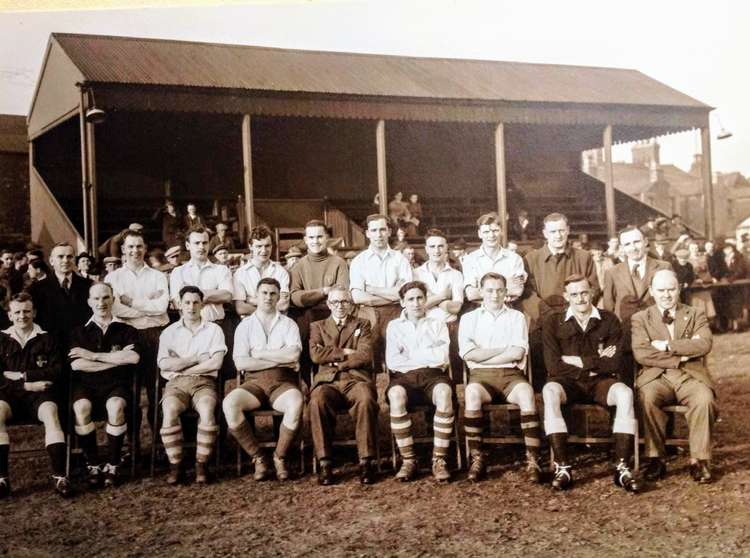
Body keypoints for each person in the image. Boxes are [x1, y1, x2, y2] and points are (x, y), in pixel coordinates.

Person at [541, 274, 640, 492]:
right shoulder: (553, 322)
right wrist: (596, 363)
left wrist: (577, 360)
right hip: (568, 383)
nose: (580, 299)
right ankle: (563, 466)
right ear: (566, 296)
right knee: (549, 391)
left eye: (584, 292)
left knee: (625, 393)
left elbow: (613, 364)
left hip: (601, 383)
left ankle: (622, 467)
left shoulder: (609, 319)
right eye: (574, 294)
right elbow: (553, 367)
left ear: (592, 292)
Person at [632, 270, 716, 484]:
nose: (666, 295)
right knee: (647, 398)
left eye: (671, 289)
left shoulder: (695, 313)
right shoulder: (641, 318)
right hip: (656, 377)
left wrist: (668, 345)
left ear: (679, 289)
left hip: (690, 376)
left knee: (704, 399)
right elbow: (641, 352)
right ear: (651, 291)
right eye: (661, 290)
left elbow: (704, 344)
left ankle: (699, 459)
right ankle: (655, 458)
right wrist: (680, 357)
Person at [459, 272, 541, 483]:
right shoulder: (469, 318)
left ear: (506, 292)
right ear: (481, 291)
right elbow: (468, 354)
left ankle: (532, 458)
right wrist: (503, 349)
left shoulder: (517, 317)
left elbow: (517, 353)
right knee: (471, 393)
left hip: (511, 377)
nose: (494, 295)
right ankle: (477, 457)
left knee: (526, 393)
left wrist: (484, 355)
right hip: (481, 377)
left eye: (499, 290)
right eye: (489, 290)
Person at [223, 278, 304, 481]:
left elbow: (293, 355)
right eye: (264, 293)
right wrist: (278, 358)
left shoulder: (288, 324)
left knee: (296, 402)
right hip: (254, 383)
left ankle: (280, 457)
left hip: (283, 382)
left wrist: (258, 354)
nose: (268, 297)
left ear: (278, 297)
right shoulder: (245, 326)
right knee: (230, 403)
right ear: (256, 296)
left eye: (273, 293)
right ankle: (258, 457)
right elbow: (241, 363)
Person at [69, 283, 141, 488]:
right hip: (86, 384)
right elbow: (77, 364)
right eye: (97, 299)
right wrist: (115, 359)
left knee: (116, 406)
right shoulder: (79, 332)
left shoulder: (126, 330)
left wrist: (93, 356)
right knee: (81, 408)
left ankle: (114, 463)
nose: (102, 303)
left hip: (117, 384)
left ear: (113, 299)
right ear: (89, 302)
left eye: (106, 298)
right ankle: (93, 463)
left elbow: (133, 358)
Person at [0, 293, 70, 498]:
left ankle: (59, 477)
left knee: (51, 411)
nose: (23, 316)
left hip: (40, 395)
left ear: (34, 313)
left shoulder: (47, 338)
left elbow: (57, 371)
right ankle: (2, 479)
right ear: (10, 315)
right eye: (18, 312)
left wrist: (22, 375)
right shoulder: (1, 339)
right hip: (10, 396)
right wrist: (28, 386)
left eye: (27, 311)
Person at [308, 286, 378, 485]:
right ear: (328, 304)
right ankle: (325, 462)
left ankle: (366, 461)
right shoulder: (318, 326)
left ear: (351, 304)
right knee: (317, 401)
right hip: (328, 381)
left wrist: (336, 359)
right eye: (335, 302)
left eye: (344, 301)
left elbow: (365, 354)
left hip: (355, 379)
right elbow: (315, 355)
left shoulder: (362, 324)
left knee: (365, 399)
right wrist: (346, 352)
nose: (340, 306)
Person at [386, 281, 454, 482]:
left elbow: (441, 358)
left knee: (444, 393)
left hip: (433, 375)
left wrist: (410, 354)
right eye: (410, 299)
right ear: (402, 302)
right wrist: (427, 350)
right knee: (395, 395)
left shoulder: (437, 323)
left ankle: (439, 459)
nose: (416, 303)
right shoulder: (394, 326)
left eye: (420, 298)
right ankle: (409, 459)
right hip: (404, 378)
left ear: (426, 300)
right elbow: (393, 361)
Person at [157, 286, 226, 484]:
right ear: (180, 304)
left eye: (196, 302)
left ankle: (201, 465)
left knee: (206, 409)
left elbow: (216, 363)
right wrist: (196, 358)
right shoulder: (169, 332)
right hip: (176, 385)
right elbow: (163, 363)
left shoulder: (214, 330)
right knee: (169, 411)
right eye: (187, 302)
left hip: (204, 383)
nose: (191, 307)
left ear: (202, 305)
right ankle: (176, 466)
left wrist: (181, 366)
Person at [106, 229, 170, 437]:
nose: (135, 250)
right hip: (126, 336)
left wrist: (131, 302)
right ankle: (133, 447)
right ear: (123, 250)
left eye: (139, 246)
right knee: (130, 392)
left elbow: (161, 307)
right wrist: (147, 304)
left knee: (156, 391)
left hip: (154, 335)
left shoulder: (158, 276)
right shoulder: (113, 277)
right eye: (131, 246)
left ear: (145, 248)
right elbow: (115, 309)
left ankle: (159, 445)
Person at [349, 214, 413, 370]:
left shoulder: (400, 260)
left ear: (390, 231)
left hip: (396, 312)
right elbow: (357, 297)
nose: (379, 234)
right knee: (370, 361)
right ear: (367, 233)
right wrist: (393, 295)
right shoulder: (359, 261)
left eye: (383, 229)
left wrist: (371, 289)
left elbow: (405, 294)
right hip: (368, 314)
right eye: (374, 230)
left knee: (398, 358)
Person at [289, 220, 349, 376]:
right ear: (305, 240)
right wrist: (324, 291)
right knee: (304, 339)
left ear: (327, 237)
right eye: (311, 237)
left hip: (331, 315)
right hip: (307, 317)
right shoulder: (298, 266)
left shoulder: (339, 263)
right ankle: (308, 386)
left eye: (319, 237)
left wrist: (309, 295)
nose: (315, 241)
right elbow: (295, 297)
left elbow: (341, 294)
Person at [413, 228, 464, 374]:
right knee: (427, 370)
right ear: (426, 249)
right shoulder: (416, 274)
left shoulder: (456, 275)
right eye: (432, 246)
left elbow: (455, 308)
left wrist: (430, 299)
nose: (437, 250)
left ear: (447, 248)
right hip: (424, 327)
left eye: (441, 246)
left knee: (453, 372)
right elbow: (416, 308)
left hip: (450, 327)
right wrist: (443, 296)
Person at [29, 242, 93, 345]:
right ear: (51, 261)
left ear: (74, 260)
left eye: (69, 256)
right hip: (50, 346)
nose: (65, 260)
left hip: (82, 344)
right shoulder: (36, 289)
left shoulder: (89, 286)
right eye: (60, 257)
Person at [169, 226, 233, 324]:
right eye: (197, 243)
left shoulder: (221, 269)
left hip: (216, 324)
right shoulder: (178, 272)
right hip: (188, 327)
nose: (201, 247)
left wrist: (194, 295)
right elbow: (178, 303)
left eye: (205, 243)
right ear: (187, 245)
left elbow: (227, 296)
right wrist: (213, 294)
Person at [463, 212, 526, 304]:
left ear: (501, 231)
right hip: (480, 310)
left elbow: (517, 290)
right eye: (486, 232)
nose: (491, 235)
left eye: (495, 231)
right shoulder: (470, 259)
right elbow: (471, 294)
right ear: (479, 234)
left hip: (508, 308)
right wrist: (506, 285)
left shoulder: (514, 259)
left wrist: (483, 290)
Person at [233, 225, 289, 317]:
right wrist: (271, 305)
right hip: (250, 326)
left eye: (267, 246)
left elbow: (283, 305)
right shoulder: (240, 273)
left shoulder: (281, 272)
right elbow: (241, 308)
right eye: (259, 246)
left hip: (277, 325)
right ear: (250, 246)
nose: (264, 250)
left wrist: (252, 300)